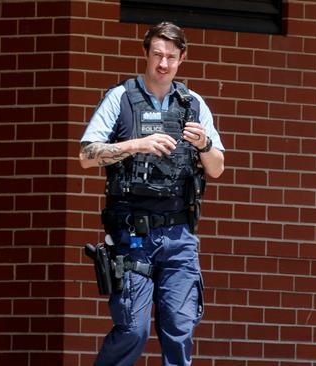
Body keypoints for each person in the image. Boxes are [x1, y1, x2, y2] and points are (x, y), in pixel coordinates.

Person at [79, 21, 225, 365]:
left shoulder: (193, 104)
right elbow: (86, 156)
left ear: (182, 58)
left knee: (179, 328)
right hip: (132, 235)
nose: (163, 63)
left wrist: (204, 144)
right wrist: (135, 144)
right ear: (146, 54)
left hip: (179, 236)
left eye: (170, 57)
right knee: (133, 328)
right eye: (157, 54)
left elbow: (217, 167)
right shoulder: (121, 97)